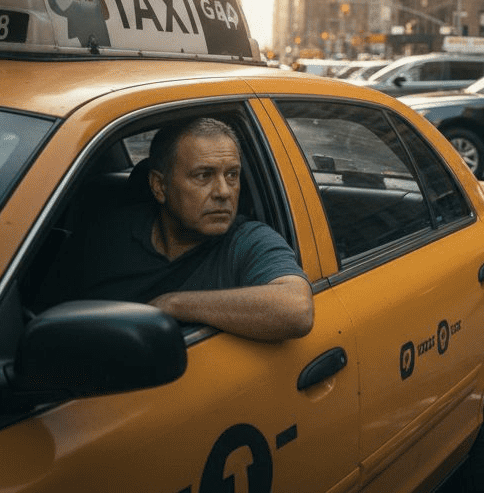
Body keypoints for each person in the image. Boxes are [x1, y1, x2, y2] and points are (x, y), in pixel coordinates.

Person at [39, 117, 314, 341]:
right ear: (160, 186)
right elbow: (42, 314)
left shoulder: (248, 241)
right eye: (203, 175)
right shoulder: (105, 236)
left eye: (232, 175)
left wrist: (171, 305)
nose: (223, 192)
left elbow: (296, 309)